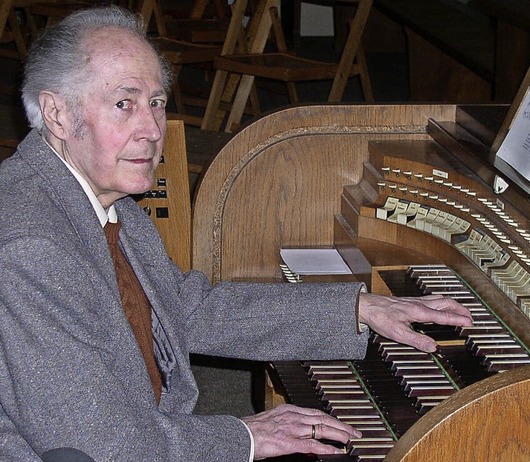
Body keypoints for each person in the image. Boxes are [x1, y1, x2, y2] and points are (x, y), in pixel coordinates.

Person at [0, 6, 473, 461]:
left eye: (157, 102)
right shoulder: (32, 248)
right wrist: (244, 436)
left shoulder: (97, 199)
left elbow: (181, 306)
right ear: (58, 115)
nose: (151, 128)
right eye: (124, 104)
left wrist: (356, 308)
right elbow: (105, 449)